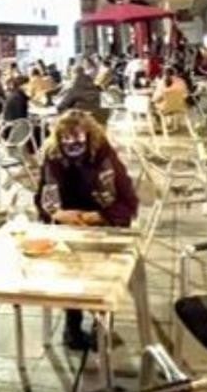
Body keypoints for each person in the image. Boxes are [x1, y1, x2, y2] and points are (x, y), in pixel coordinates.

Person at [35, 111, 139, 350]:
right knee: (69, 270)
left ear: (90, 137)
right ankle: (72, 327)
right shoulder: (52, 158)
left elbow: (128, 201)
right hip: (67, 224)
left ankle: (101, 325)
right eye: (66, 140)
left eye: (78, 141)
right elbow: (42, 198)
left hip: (105, 222)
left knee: (101, 274)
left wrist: (100, 216)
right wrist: (58, 214)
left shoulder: (105, 157)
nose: (72, 146)